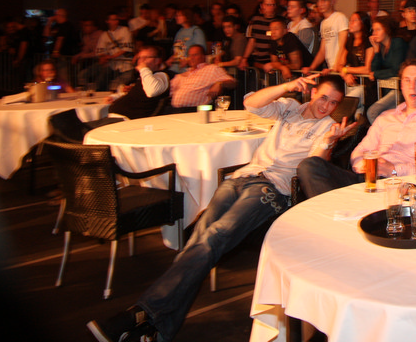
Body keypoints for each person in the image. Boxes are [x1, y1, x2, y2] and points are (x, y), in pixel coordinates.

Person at [87, 75, 346, 342]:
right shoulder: (289, 108)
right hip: (241, 177)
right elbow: (252, 104)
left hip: (270, 190)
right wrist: (286, 86)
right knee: (199, 238)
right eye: (323, 98)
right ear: (312, 92)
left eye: (333, 103)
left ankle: (141, 314)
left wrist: (329, 142)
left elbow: (313, 165)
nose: (326, 106)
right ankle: (159, 328)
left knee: (214, 236)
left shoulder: (327, 126)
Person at [296, 61, 416, 198]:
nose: (411, 86)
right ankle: (344, 211)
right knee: (310, 165)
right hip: (367, 180)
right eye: (407, 80)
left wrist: (394, 170)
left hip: (404, 185)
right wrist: (364, 165)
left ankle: (345, 212)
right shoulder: (385, 117)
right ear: (401, 85)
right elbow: (359, 152)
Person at [169, 44, 236, 110]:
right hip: (173, 109)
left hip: (194, 110)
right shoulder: (183, 75)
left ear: (203, 56)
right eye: (190, 55)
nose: (191, 58)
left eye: (195, 55)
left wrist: (220, 83)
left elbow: (233, 82)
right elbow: (168, 90)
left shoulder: (212, 69)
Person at [303, 0, 349, 73]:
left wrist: (336, 66)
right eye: (318, 1)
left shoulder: (339, 17)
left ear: (332, 2)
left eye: (324, 1)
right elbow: (322, 50)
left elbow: (343, 45)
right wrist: (312, 67)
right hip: (331, 67)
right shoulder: (323, 23)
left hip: (341, 67)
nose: (321, 4)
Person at [239, 0, 278, 72]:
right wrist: (244, 58)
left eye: (273, 5)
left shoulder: (279, 21)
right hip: (258, 60)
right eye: (268, 5)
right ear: (262, 6)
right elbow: (252, 41)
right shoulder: (256, 20)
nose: (271, 7)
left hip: (273, 60)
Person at [165, 9, 206, 73]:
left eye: (179, 16)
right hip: (176, 66)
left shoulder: (195, 31)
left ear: (187, 16)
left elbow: (200, 51)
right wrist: (171, 59)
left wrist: (188, 60)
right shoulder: (180, 31)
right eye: (176, 16)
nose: (176, 18)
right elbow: (177, 50)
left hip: (188, 68)